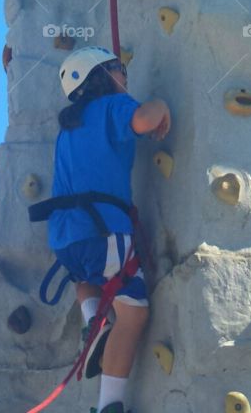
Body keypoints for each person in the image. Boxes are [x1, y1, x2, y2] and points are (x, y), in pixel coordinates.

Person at [49, 46, 171, 413]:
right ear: (100, 77)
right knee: (133, 315)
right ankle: (110, 405)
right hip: (105, 230)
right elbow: (144, 120)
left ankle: (93, 321)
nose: (125, 73)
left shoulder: (67, 130)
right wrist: (161, 105)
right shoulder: (110, 106)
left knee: (86, 275)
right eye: (118, 68)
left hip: (65, 238)